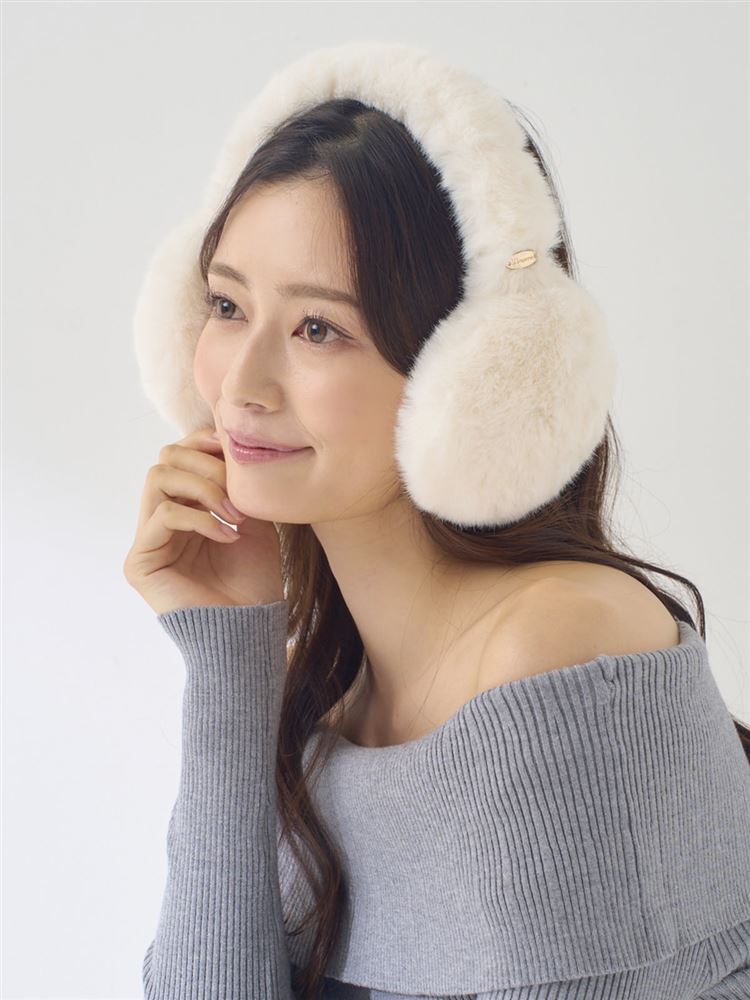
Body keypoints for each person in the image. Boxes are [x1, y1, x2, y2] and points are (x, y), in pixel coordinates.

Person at [128, 42, 750, 1000]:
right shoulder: (318, 705)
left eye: (318, 328)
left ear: (473, 375)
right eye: (225, 304)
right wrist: (228, 654)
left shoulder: (560, 646)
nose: (241, 384)